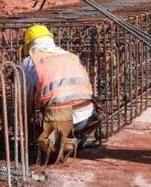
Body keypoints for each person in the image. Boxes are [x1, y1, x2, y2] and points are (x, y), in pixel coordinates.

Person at [20, 24, 98, 161]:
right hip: (88, 116)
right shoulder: (71, 56)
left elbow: (25, 98)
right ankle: (76, 139)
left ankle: (58, 144)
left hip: (59, 120)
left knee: (48, 108)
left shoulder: (30, 62)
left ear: (30, 45)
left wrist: (24, 123)